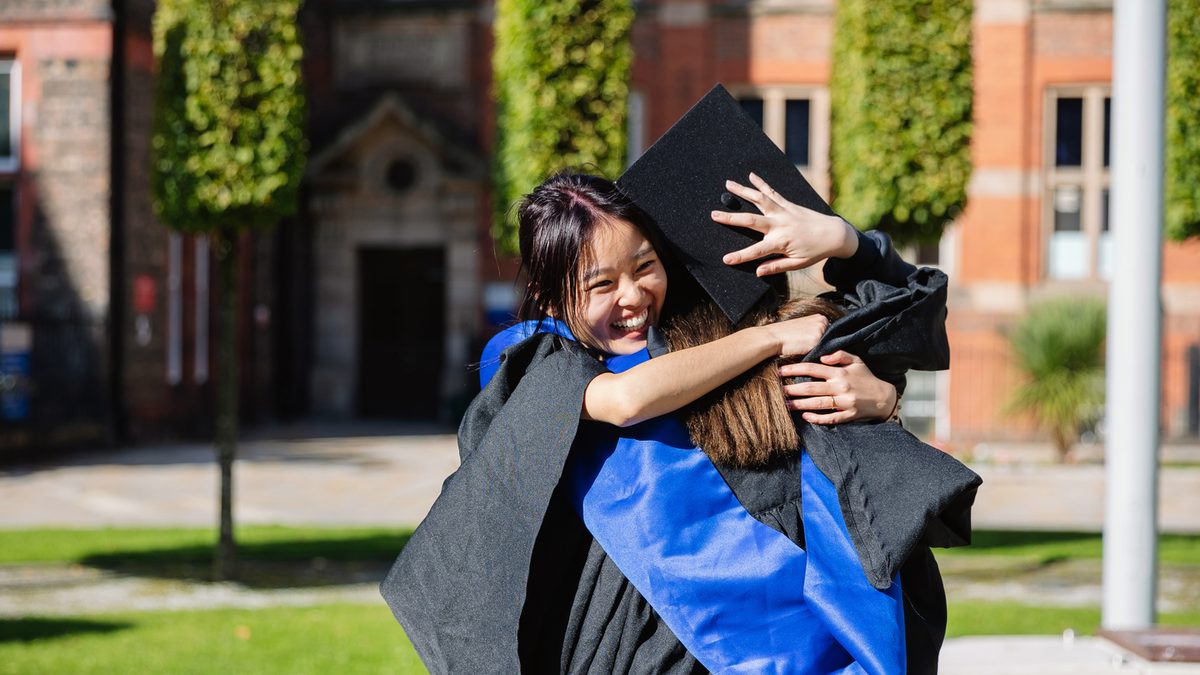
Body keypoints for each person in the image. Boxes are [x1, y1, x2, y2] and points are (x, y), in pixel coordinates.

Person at [383, 85, 979, 674]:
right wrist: (770, 340)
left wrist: (847, 253)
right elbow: (626, 401)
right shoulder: (535, 360)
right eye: (600, 284)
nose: (633, 296)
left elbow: (906, 319)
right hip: (631, 639)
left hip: (804, 636)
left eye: (645, 266)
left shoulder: (711, 345)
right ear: (548, 295)